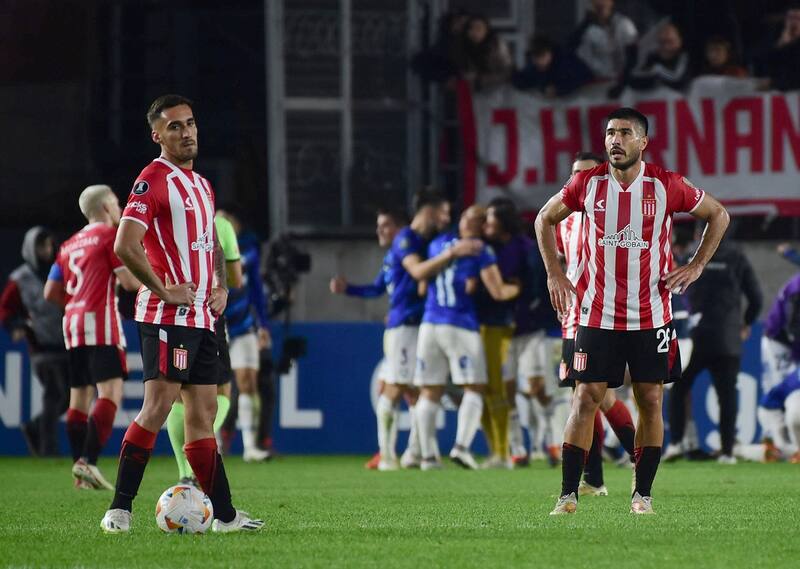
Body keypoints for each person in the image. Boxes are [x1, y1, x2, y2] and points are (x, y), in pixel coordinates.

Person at [536, 107, 729, 515]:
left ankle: (642, 495)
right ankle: (568, 495)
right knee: (585, 397)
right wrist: (555, 273)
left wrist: (695, 266)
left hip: (652, 314)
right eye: (609, 133)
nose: (614, 140)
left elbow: (718, 214)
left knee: (650, 400)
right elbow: (543, 219)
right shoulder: (585, 184)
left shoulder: (667, 185)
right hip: (596, 313)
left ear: (643, 142)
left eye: (624, 133)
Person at [100, 94, 263, 533]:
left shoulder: (203, 185)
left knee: (204, 413)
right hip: (166, 315)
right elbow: (124, 245)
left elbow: (210, 241)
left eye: (190, 123)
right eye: (175, 126)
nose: (186, 132)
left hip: (203, 318)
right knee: (156, 407)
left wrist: (222, 286)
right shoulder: (151, 181)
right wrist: (162, 289)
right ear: (157, 135)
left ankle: (226, 517)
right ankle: (119, 510)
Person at [337, 192, 479, 470]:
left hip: (411, 325)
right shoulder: (406, 241)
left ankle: (413, 453)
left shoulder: (406, 247)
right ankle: (388, 456)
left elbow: (380, 287)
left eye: (384, 224)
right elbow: (417, 274)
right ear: (430, 211)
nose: (447, 219)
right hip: (406, 326)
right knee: (395, 388)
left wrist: (349, 288)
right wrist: (453, 253)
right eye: (444, 212)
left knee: (415, 391)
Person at [43, 185, 141, 489]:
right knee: (109, 393)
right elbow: (128, 282)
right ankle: (88, 462)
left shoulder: (69, 244)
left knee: (80, 396)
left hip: (72, 324)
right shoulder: (110, 237)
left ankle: (79, 472)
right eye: (116, 201)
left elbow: (50, 293)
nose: (121, 206)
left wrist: (76, 304)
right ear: (105, 207)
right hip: (100, 321)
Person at [554, 152, 639, 496]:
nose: (580, 180)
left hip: (599, 317)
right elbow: (563, 259)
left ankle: (635, 458)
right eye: (575, 174)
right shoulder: (564, 222)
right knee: (585, 398)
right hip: (571, 318)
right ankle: (597, 479)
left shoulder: (613, 216)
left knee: (593, 396)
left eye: (587, 174)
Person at [413, 205, 520, 471]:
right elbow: (497, 291)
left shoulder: (438, 243)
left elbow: (422, 284)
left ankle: (428, 457)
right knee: (475, 387)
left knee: (430, 391)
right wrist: (516, 289)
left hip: (429, 324)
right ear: (482, 225)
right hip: (460, 324)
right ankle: (461, 447)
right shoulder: (480, 250)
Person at [329, 207, 423, 470]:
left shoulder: (405, 246)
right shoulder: (392, 257)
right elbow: (376, 288)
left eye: (385, 225)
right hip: (399, 327)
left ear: (399, 227)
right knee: (402, 389)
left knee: (402, 390)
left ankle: (402, 454)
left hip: (405, 326)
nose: (379, 230)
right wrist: (348, 289)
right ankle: (398, 454)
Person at [666, 230, 762, 464]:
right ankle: (727, 451)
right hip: (727, 337)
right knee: (727, 396)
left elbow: (672, 289)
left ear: (701, 233)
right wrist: (746, 323)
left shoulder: (691, 255)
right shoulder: (737, 256)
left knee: (678, 388)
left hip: (694, 335)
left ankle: (677, 443)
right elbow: (756, 297)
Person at [166, 210, 242, 483]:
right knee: (220, 391)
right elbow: (237, 277)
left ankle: (184, 472)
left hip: (170, 309)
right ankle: (195, 453)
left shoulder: (164, 219)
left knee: (177, 394)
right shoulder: (220, 223)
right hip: (206, 311)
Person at [0, 226, 69, 456]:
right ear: (31, 248)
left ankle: (33, 427)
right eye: (42, 245)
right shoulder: (20, 279)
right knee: (54, 394)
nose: (47, 250)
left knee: (66, 398)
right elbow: (5, 310)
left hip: (65, 343)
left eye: (49, 245)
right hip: (40, 347)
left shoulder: (59, 271)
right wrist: (16, 326)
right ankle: (48, 449)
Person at [476, 198, 534, 469]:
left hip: (519, 328)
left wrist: (517, 293)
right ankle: (511, 448)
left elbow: (533, 286)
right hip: (484, 325)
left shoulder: (525, 248)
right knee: (492, 389)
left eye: (490, 218)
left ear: (503, 222)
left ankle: (532, 445)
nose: (485, 223)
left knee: (531, 389)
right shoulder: (484, 246)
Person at [215, 207, 272, 463]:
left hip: (245, 325)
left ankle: (250, 446)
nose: (222, 223)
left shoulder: (248, 251)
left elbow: (257, 291)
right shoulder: (202, 249)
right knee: (215, 386)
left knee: (248, 381)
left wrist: (263, 326)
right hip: (216, 323)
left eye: (226, 219)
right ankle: (213, 445)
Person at [570, 0, 638, 82]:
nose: (601, 2)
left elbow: (633, 55)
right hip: (598, 81)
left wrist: (625, 75)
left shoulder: (624, 23)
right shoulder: (587, 30)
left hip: (623, 80)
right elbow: (572, 50)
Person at [511, 35, 593, 97]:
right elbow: (523, 81)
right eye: (535, 57)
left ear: (550, 52)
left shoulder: (565, 60)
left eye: (542, 56)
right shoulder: (533, 68)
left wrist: (559, 89)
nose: (539, 61)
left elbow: (585, 75)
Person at [761, 272, 800, 394]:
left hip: (792, 342)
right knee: (782, 389)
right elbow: (793, 328)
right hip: (778, 341)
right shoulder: (797, 289)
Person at [628, 23, 691, 91]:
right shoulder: (653, 57)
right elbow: (634, 78)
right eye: (662, 42)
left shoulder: (683, 57)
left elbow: (678, 81)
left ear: (679, 41)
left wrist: (659, 72)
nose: (666, 47)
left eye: (670, 42)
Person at [453, 15, 512, 89]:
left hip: (497, 91)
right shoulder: (461, 47)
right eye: (471, 28)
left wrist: (480, 79)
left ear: (486, 30)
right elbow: (459, 76)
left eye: (479, 28)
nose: (474, 32)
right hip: (468, 90)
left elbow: (507, 72)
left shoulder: (497, 45)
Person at [758, 369, 800, 463]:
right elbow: (794, 414)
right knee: (779, 450)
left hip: (784, 409)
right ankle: (738, 449)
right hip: (771, 411)